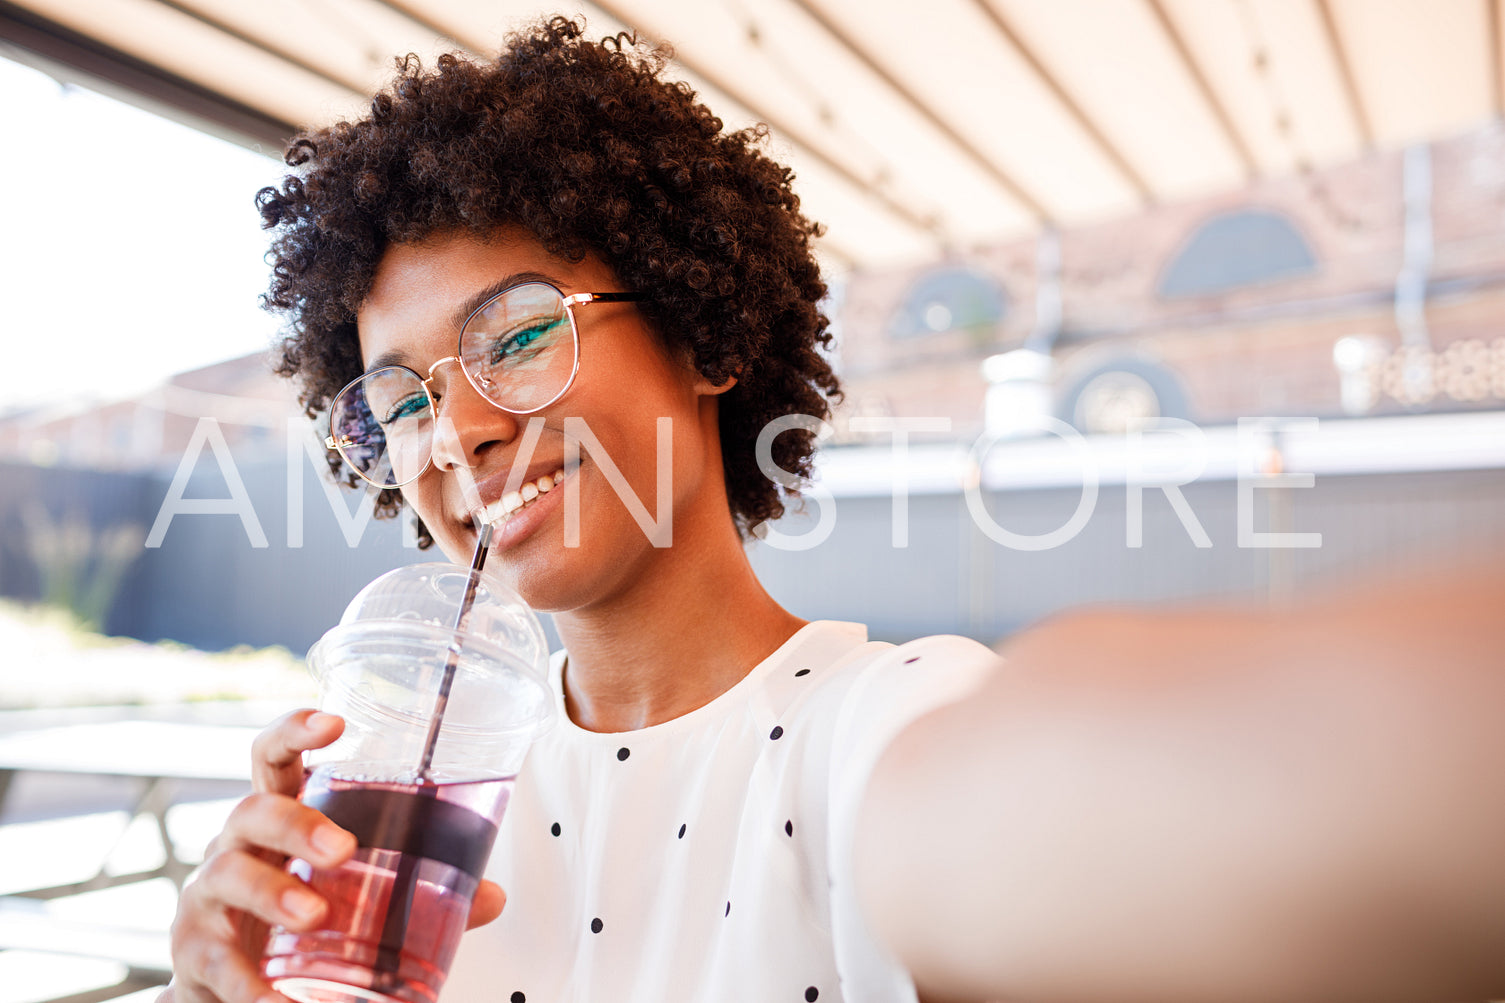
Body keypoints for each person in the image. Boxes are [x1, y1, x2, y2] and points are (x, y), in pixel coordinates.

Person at [161, 16, 1505, 1003]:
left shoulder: (878, 727)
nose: (453, 428)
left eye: (515, 336)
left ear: (701, 337)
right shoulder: (393, 840)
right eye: (398, 399)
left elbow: (1036, 814)